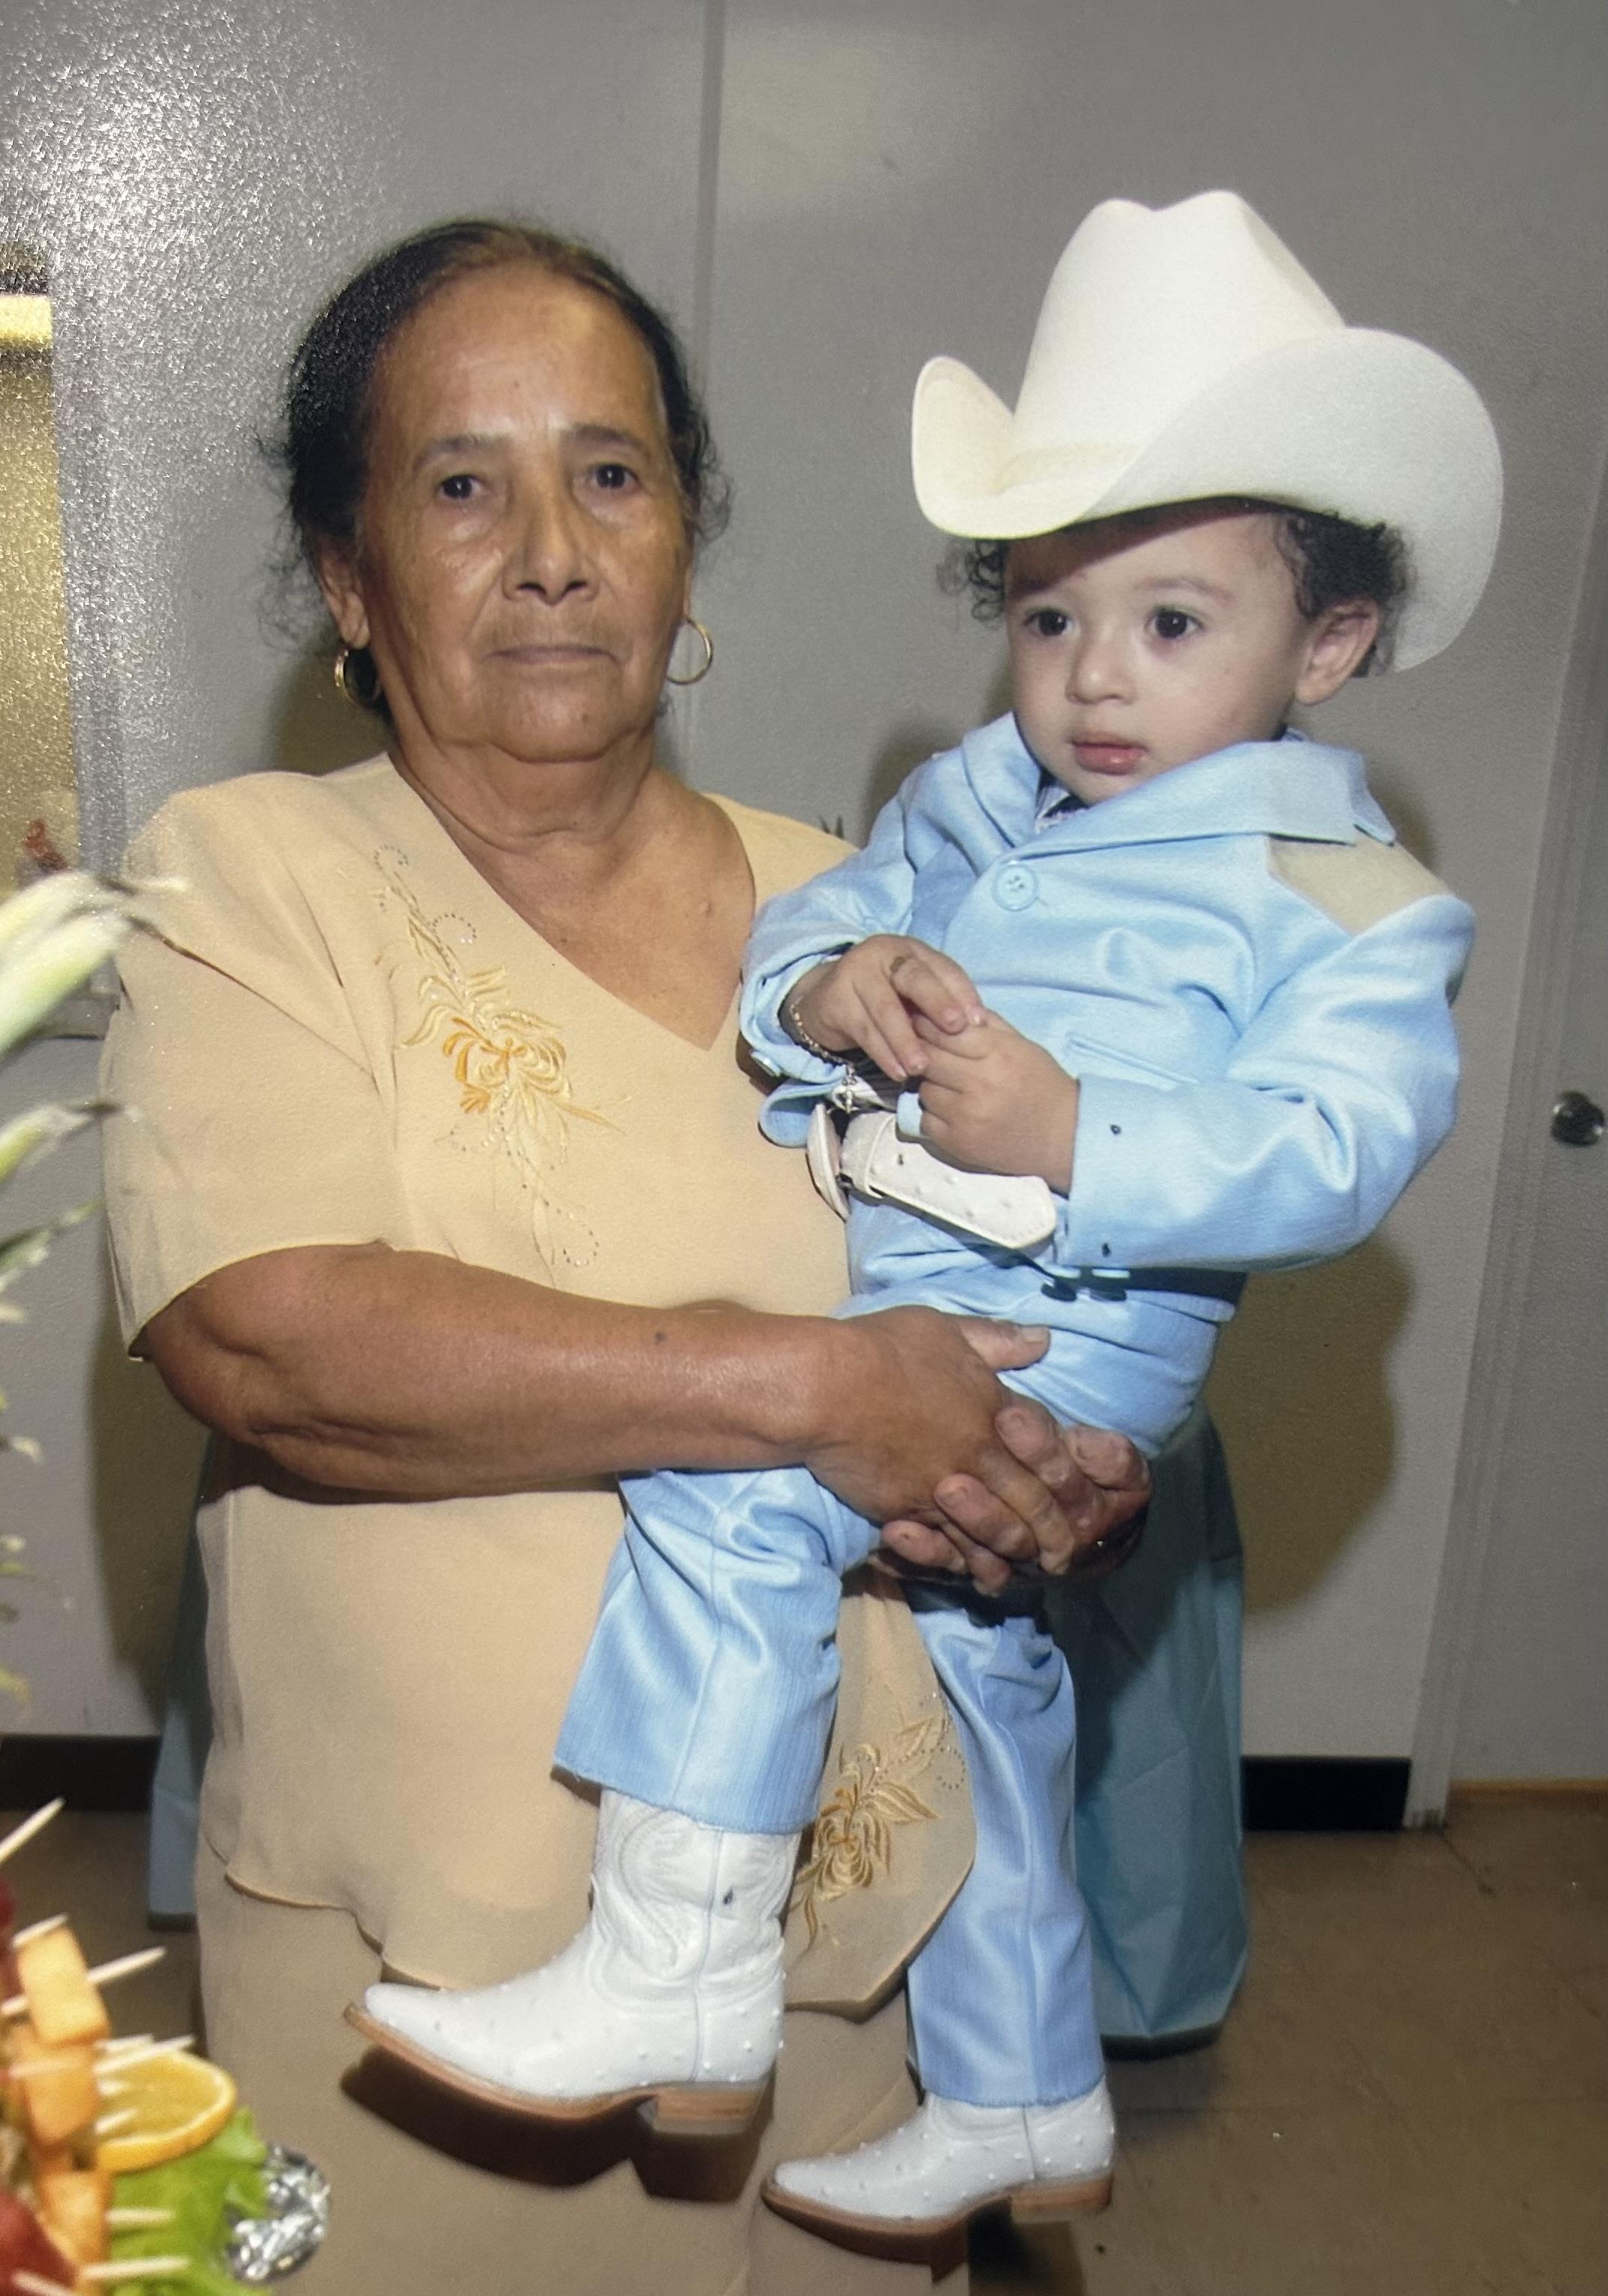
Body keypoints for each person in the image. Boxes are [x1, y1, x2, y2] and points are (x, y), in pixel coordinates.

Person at [352, 192, 1501, 2265]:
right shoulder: (984, 796)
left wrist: (1085, 1129)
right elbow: (822, 907)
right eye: (1047, 618)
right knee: (992, 1700)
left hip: (1074, 1326)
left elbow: (1341, 1147)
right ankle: (1022, 2092)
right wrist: (831, 986)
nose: (1093, 681)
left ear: (1323, 646)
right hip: (919, 1273)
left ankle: (675, 1956)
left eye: (1171, 622)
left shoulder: (1342, 891)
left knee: (726, 1495)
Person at [98, 217, 1150, 2296]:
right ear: (349, 579)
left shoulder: (859, 916)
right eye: (460, 484)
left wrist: (1066, 1472)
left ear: (682, 546)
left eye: (611, 471)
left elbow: (1057, 1291)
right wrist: (826, 1393)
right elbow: (274, 1343)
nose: (553, 549)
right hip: (435, 1962)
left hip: (848, 1932)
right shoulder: (253, 877)